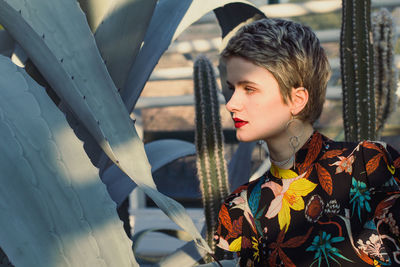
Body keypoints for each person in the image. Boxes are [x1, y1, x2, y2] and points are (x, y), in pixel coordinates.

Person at [214, 18, 400, 266]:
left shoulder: (369, 165)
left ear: (297, 99)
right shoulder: (239, 209)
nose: (231, 104)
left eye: (249, 88)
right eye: (231, 88)